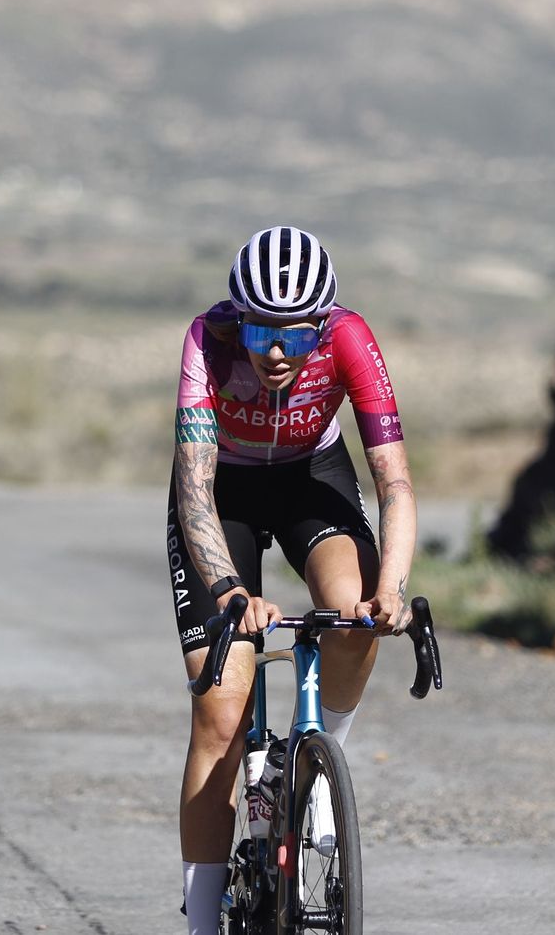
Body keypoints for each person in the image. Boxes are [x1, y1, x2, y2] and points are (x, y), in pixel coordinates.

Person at [167, 225, 417, 934]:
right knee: (221, 713)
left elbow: (395, 483)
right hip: (226, 492)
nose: (277, 353)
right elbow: (194, 489)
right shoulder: (207, 340)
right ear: (237, 319)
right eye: (260, 333)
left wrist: (391, 590)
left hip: (312, 477)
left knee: (355, 615)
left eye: (298, 337)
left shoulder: (350, 337)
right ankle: (202, 922)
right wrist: (229, 591)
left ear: (323, 325)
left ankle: (314, 772)